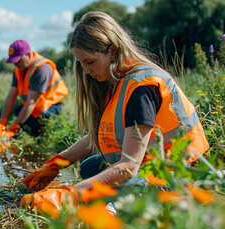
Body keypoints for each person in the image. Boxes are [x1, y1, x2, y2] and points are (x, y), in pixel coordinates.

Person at [20, 11, 209, 213]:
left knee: (115, 195)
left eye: (90, 62)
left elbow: (128, 166)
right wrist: (56, 163)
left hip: (176, 171)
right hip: (146, 159)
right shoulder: (113, 82)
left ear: (112, 50)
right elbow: (103, 133)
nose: (85, 71)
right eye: (81, 63)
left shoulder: (141, 87)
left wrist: (69, 195)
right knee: (88, 168)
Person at [0, 40, 69, 138]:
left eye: (18, 61)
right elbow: (11, 96)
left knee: (35, 115)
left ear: (28, 55)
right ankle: (36, 131)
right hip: (38, 107)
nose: (16, 65)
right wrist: (3, 122)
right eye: (14, 62)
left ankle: (43, 133)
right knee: (18, 110)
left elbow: (31, 102)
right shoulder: (19, 69)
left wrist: (13, 129)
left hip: (55, 108)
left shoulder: (42, 69)